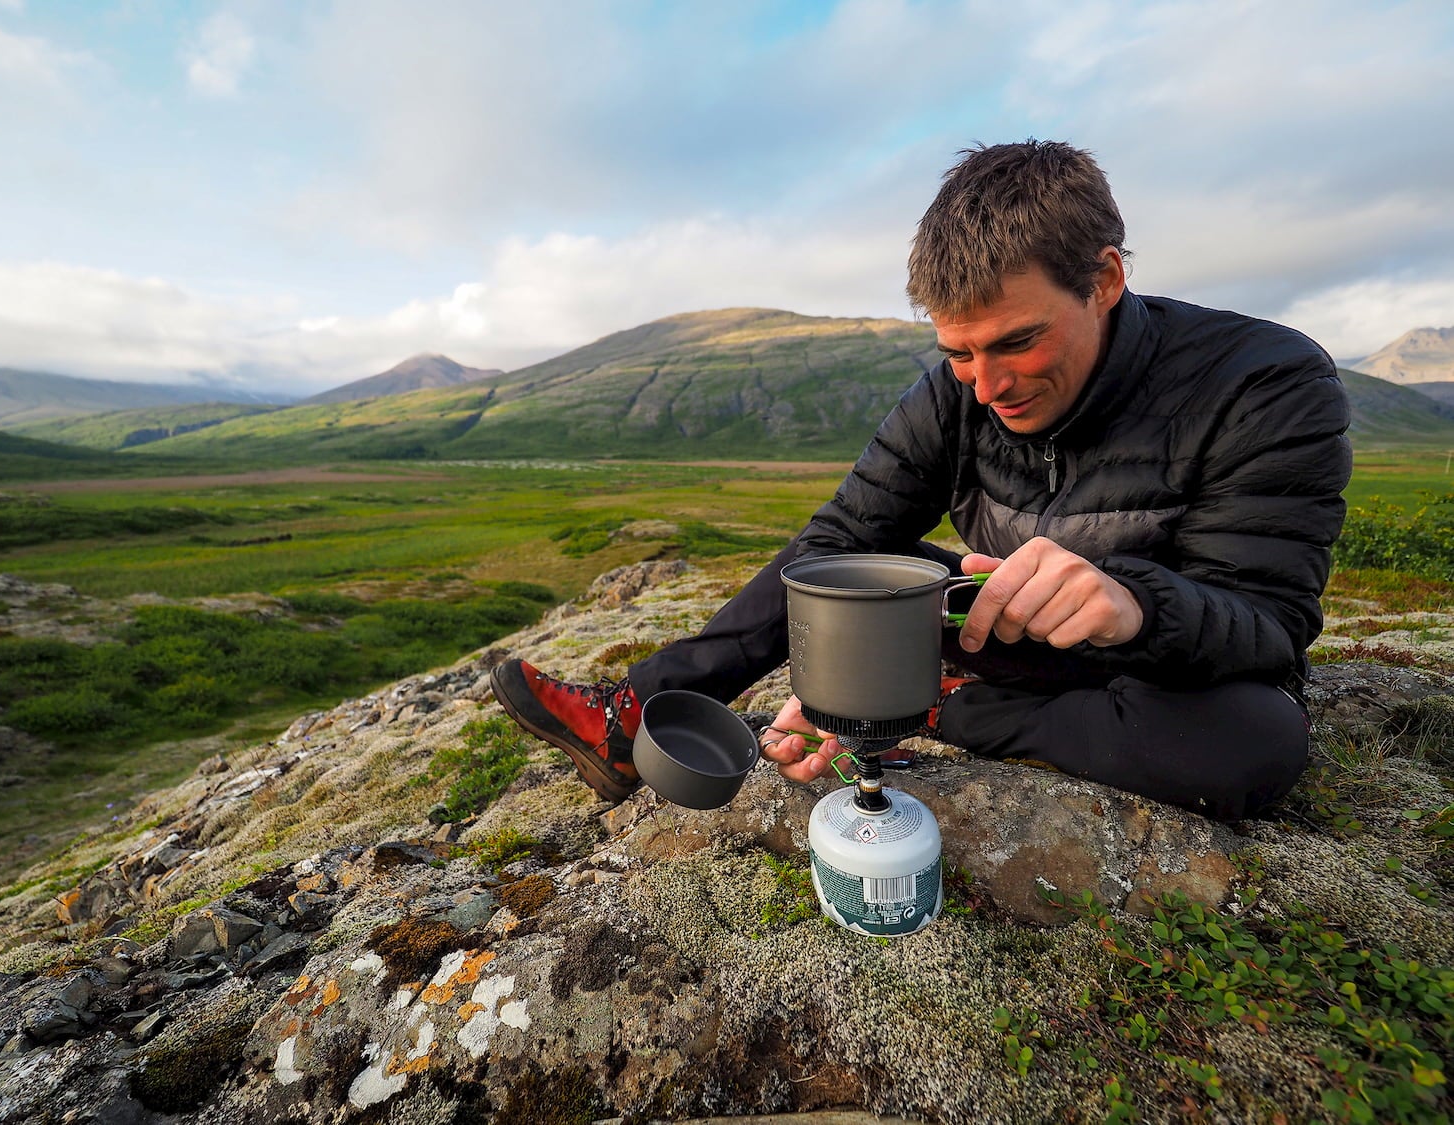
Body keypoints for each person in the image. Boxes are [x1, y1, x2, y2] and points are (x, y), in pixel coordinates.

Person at [491, 140, 1352, 820]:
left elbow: (1271, 624)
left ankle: (933, 708)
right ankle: (629, 716)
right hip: (999, 644)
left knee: (1257, 742)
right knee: (855, 568)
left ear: (1106, 279)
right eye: (958, 352)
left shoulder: (1264, 381)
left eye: (1017, 342)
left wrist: (1135, 604)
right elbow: (839, 540)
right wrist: (822, 662)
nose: (987, 382)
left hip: (1160, 677)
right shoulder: (958, 390)